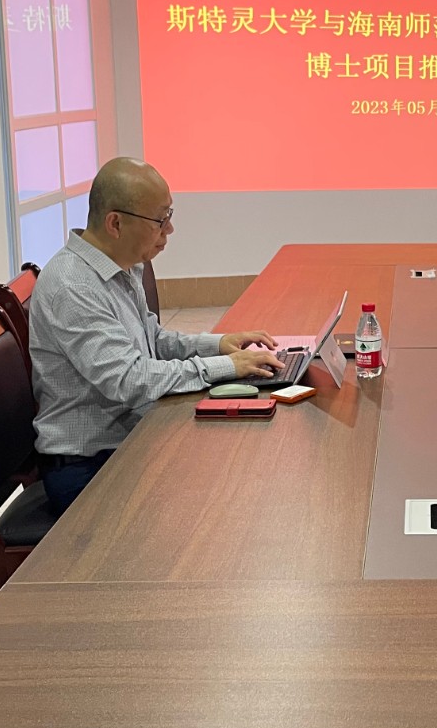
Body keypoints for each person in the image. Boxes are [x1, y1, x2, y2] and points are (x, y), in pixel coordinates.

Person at [30, 158, 281, 514]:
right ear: (116, 223)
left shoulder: (120, 265)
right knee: (224, 496)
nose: (170, 229)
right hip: (88, 468)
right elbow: (129, 380)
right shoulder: (73, 287)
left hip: (128, 440)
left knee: (241, 462)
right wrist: (225, 367)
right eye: (160, 220)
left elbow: (154, 341)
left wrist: (218, 345)